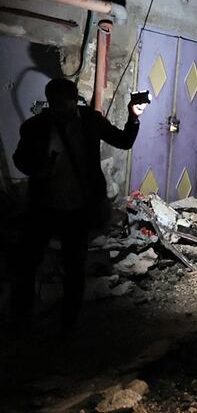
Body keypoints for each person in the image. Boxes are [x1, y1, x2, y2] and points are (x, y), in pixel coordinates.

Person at [11, 77, 145, 333]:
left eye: (66, 103)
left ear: (75, 100)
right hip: (44, 206)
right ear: (50, 103)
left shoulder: (90, 121)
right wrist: (38, 170)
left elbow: (124, 141)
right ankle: (21, 320)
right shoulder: (36, 126)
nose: (62, 109)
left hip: (78, 208)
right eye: (56, 104)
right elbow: (20, 160)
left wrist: (134, 117)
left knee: (74, 266)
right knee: (27, 262)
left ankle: (67, 324)